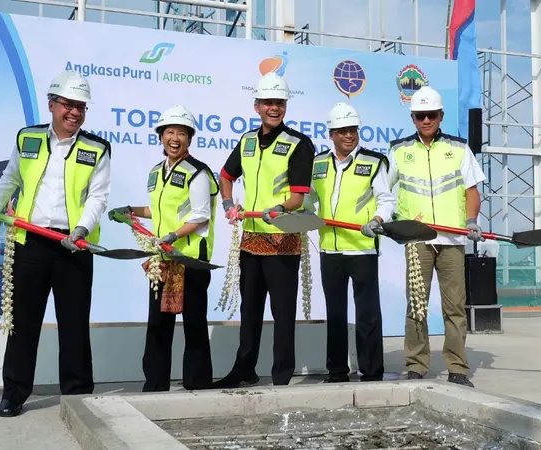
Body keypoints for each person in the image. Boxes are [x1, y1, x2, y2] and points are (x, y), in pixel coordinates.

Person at [0, 70, 112, 416]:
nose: (75, 113)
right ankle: (14, 393)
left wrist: (81, 229)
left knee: (74, 324)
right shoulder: (28, 139)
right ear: (52, 104)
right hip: (32, 243)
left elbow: (98, 198)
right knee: (23, 323)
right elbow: (10, 178)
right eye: (68, 105)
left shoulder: (97, 148)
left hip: (73, 247)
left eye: (81, 107)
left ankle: (77, 394)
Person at [213, 72, 315, 388]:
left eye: (279, 103)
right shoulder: (246, 141)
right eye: (268, 102)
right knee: (250, 310)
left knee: (282, 314)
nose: (274, 108)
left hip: (282, 240)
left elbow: (299, 195)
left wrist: (282, 208)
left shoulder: (299, 143)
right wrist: (228, 204)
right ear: (256, 105)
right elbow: (225, 176)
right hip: (251, 242)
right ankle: (244, 369)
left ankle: (281, 375)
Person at [107, 105, 218, 392]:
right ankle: (155, 385)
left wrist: (172, 235)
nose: (175, 138)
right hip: (162, 259)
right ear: (161, 136)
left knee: (193, 324)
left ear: (189, 139)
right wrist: (130, 210)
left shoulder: (199, 173)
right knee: (158, 324)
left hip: (190, 259)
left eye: (181, 133)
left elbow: (200, 215)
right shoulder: (156, 173)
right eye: (170, 131)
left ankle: (198, 385)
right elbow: (156, 209)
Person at [388, 86, 485, 388]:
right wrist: (390, 222)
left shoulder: (458, 149)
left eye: (431, 115)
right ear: (413, 117)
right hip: (417, 241)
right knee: (416, 305)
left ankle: (457, 366)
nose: (426, 120)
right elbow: (385, 195)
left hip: (453, 241)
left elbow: (472, 191)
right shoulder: (399, 151)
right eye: (420, 115)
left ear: (441, 116)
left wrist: (471, 220)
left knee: (454, 306)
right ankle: (416, 365)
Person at [303, 102, 395, 383]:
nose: (349, 136)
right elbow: (310, 200)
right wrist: (301, 214)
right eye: (342, 131)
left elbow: (386, 199)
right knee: (336, 313)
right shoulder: (317, 163)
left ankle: (371, 371)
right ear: (331, 133)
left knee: (367, 314)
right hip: (330, 249)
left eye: (353, 130)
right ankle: (337, 371)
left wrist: (378, 221)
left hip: (362, 247)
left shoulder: (373, 161)